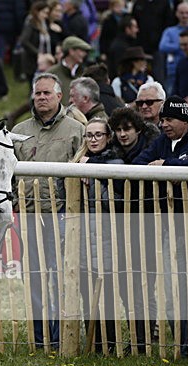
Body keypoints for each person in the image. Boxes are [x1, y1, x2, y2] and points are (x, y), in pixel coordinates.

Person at [132, 96, 188, 360]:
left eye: (169, 120)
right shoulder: (162, 141)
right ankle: (184, 347)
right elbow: (139, 163)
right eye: (161, 120)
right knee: (173, 289)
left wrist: (167, 166)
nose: (163, 125)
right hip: (174, 226)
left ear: (184, 119)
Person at [11, 72, 84, 349]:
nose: (41, 98)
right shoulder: (19, 131)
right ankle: (40, 337)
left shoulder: (75, 130)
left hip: (61, 214)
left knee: (60, 274)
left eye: (46, 93)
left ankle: (60, 335)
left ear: (59, 96)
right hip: (28, 216)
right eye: (37, 93)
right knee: (33, 275)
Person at [108, 106, 158, 352]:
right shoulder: (111, 153)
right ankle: (138, 334)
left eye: (127, 129)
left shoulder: (150, 148)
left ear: (138, 129)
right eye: (117, 130)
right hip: (120, 225)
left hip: (147, 223)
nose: (122, 134)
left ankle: (146, 334)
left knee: (144, 281)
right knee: (126, 284)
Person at [72, 117, 124, 353]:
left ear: (108, 137)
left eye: (98, 135)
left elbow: (113, 197)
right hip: (83, 235)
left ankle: (110, 343)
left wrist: (91, 169)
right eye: (88, 135)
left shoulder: (116, 161)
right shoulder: (77, 162)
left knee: (108, 292)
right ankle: (93, 340)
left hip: (107, 235)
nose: (93, 139)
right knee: (86, 291)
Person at [158, 2, 188, 96]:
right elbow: (162, 46)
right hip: (173, 72)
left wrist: (174, 47)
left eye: (187, 13)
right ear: (177, 13)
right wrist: (183, 46)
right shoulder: (169, 31)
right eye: (182, 13)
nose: (184, 15)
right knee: (171, 99)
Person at [18, 1, 53, 84]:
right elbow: (24, 41)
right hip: (32, 62)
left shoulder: (45, 24)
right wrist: (38, 53)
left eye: (47, 13)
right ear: (37, 12)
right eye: (44, 12)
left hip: (45, 60)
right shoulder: (31, 24)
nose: (46, 15)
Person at [106, 15, 140, 79]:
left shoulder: (125, 43)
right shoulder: (120, 47)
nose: (137, 30)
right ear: (127, 29)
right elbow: (119, 70)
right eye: (135, 27)